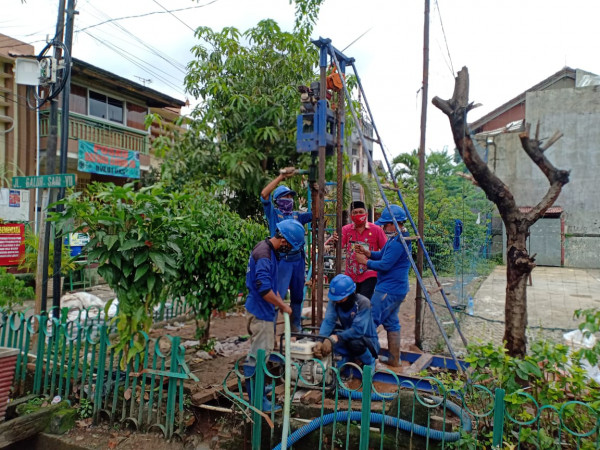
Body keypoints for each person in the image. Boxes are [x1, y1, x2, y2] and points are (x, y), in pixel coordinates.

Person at [243, 219, 305, 412]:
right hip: (261, 312)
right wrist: (283, 307)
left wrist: (280, 301)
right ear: (284, 240)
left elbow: (271, 285)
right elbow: (264, 289)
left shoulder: (269, 251)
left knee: (263, 351)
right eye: (290, 246)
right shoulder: (264, 255)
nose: (289, 250)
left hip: (263, 310)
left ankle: (259, 387)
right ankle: (257, 399)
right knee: (259, 355)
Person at [355, 204, 411, 367]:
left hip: (388, 289)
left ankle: (366, 361)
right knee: (391, 322)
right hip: (397, 288)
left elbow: (385, 264)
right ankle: (394, 359)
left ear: (394, 223)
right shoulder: (398, 237)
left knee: (370, 320)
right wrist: (369, 253)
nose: (383, 227)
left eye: (385, 224)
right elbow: (382, 255)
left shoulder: (397, 242)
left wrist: (365, 262)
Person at [261, 167, 312, 332]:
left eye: (291, 197)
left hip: (297, 260)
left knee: (298, 295)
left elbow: (316, 214)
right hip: (282, 260)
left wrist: (317, 191)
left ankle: (296, 327)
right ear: (278, 200)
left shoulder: (297, 215)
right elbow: (264, 194)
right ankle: (272, 331)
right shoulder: (273, 214)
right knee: (278, 295)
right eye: (286, 197)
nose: (289, 199)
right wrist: (281, 177)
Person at [315, 274, 380, 369]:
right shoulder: (334, 301)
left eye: (340, 299)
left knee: (354, 343)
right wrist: (320, 340)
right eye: (335, 299)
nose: (337, 301)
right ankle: (347, 359)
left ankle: (369, 363)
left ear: (350, 294)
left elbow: (358, 330)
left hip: (367, 340)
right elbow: (329, 321)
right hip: (347, 335)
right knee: (328, 333)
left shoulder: (363, 303)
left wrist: (336, 338)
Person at [326, 201, 387, 299]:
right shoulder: (346, 230)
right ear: (351, 216)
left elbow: (385, 250)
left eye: (360, 212)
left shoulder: (376, 230)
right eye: (355, 213)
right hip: (351, 274)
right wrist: (335, 241)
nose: (358, 215)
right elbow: (339, 246)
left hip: (369, 272)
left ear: (366, 214)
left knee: (363, 300)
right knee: (350, 301)